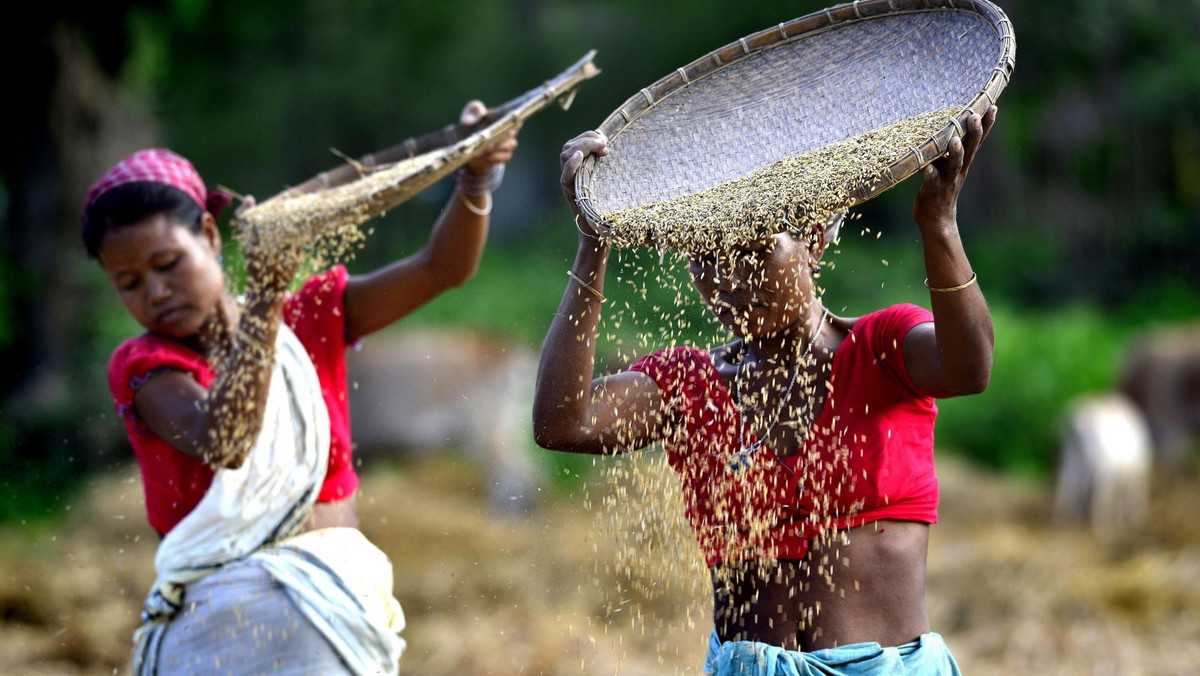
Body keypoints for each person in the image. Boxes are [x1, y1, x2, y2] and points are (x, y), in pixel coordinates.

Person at [533, 106, 998, 675]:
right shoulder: (688, 384)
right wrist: (593, 244)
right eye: (707, 258)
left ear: (815, 239)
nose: (731, 281)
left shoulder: (881, 349)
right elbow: (563, 424)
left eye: (755, 251)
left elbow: (968, 368)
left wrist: (939, 224)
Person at [84, 101, 519, 675]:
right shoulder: (148, 365)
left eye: (168, 263)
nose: (156, 292)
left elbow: (442, 268)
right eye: (130, 283)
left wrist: (474, 177)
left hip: (335, 611)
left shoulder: (306, 318)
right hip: (223, 628)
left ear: (211, 237)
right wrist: (263, 299)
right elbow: (225, 439)